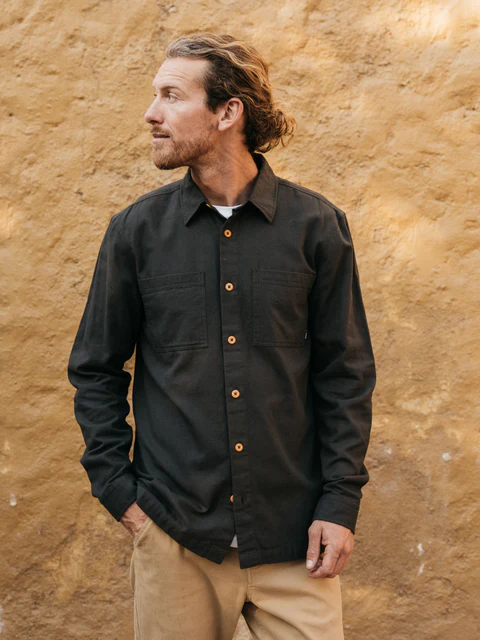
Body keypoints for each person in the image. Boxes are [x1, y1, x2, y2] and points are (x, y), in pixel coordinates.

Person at [68, 32, 376, 640]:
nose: (151, 113)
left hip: (296, 539)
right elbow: (95, 369)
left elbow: (345, 374)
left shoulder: (316, 227)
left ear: (227, 112)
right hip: (176, 535)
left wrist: (340, 505)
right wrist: (121, 494)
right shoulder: (136, 232)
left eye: (171, 95)